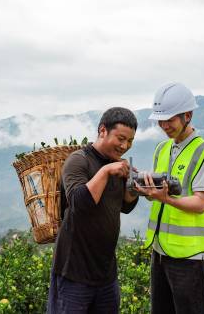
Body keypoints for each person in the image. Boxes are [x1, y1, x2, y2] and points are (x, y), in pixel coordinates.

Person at [136, 83, 204, 314]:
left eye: (170, 120)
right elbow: (160, 196)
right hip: (161, 250)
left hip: (192, 256)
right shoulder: (162, 149)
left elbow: (200, 204)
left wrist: (165, 198)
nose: (164, 126)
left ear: (188, 115)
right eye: (160, 120)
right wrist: (147, 190)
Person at [47, 107, 140, 314]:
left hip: (106, 275)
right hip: (73, 273)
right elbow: (80, 204)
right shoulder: (78, 160)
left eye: (130, 141)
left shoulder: (118, 165)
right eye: (121, 138)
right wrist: (106, 171)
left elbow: (125, 206)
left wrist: (134, 187)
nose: (125, 146)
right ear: (102, 131)